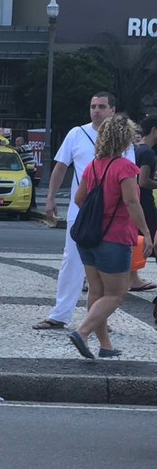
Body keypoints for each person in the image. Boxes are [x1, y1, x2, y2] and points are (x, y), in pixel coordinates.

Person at [33, 92, 130, 330]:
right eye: (93, 106)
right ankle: (60, 315)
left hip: (112, 216)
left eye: (101, 106)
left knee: (104, 270)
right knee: (72, 261)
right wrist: (51, 198)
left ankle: (98, 320)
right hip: (83, 211)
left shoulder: (123, 140)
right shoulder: (76, 134)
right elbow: (60, 167)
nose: (96, 110)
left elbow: (130, 178)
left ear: (112, 110)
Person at [69, 115, 154, 359]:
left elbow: (79, 199)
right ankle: (82, 332)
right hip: (114, 238)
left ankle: (105, 346)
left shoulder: (93, 165)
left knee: (97, 292)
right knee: (116, 295)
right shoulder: (126, 167)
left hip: (89, 237)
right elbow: (131, 201)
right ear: (125, 138)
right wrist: (146, 232)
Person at [135, 116, 157, 266]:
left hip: (136, 201)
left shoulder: (136, 149)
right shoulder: (148, 153)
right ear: (154, 130)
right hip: (146, 204)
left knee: (135, 241)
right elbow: (143, 181)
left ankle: (132, 277)